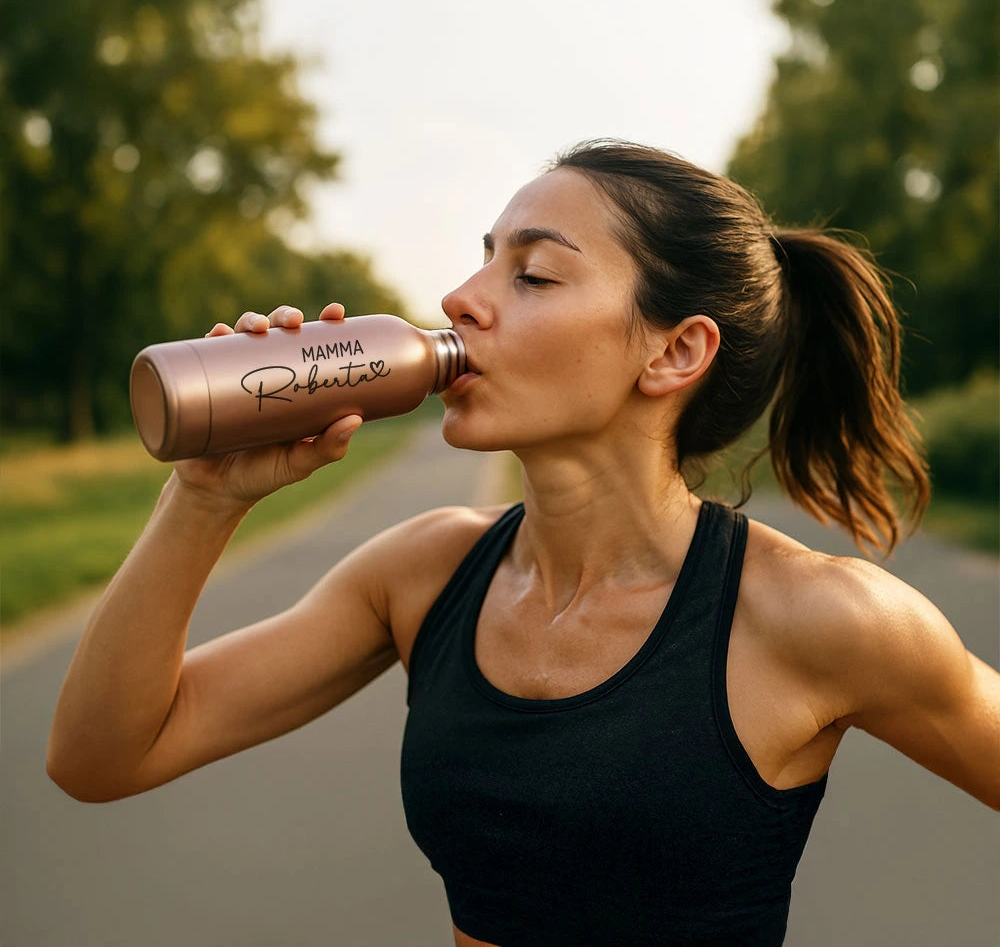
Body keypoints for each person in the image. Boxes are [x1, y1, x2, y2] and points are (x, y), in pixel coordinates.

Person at [48, 139, 999, 946]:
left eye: (533, 275)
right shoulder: (424, 573)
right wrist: (202, 498)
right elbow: (103, 756)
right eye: (482, 262)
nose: (461, 298)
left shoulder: (820, 617)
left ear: (674, 352)